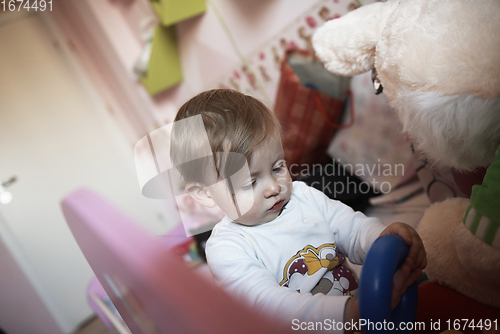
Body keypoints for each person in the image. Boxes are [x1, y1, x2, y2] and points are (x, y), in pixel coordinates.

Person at [170, 89, 426, 332]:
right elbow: (269, 307)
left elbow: (351, 228)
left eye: (278, 167)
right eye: (251, 182)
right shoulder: (227, 248)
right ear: (204, 193)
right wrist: (348, 315)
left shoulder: (303, 196)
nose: (273, 187)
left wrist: (382, 237)